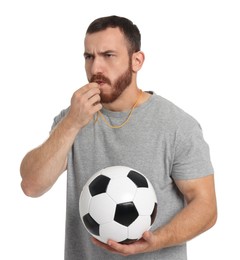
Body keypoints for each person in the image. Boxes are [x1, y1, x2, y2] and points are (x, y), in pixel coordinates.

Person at [20, 15, 217, 260]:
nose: (95, 69)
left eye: (108, 55)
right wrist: (71, 122)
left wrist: (156, 241)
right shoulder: (72, 118)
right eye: (89, 57)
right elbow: (31, 185)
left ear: (137, 61)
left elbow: (206, 207)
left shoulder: (177, 125)